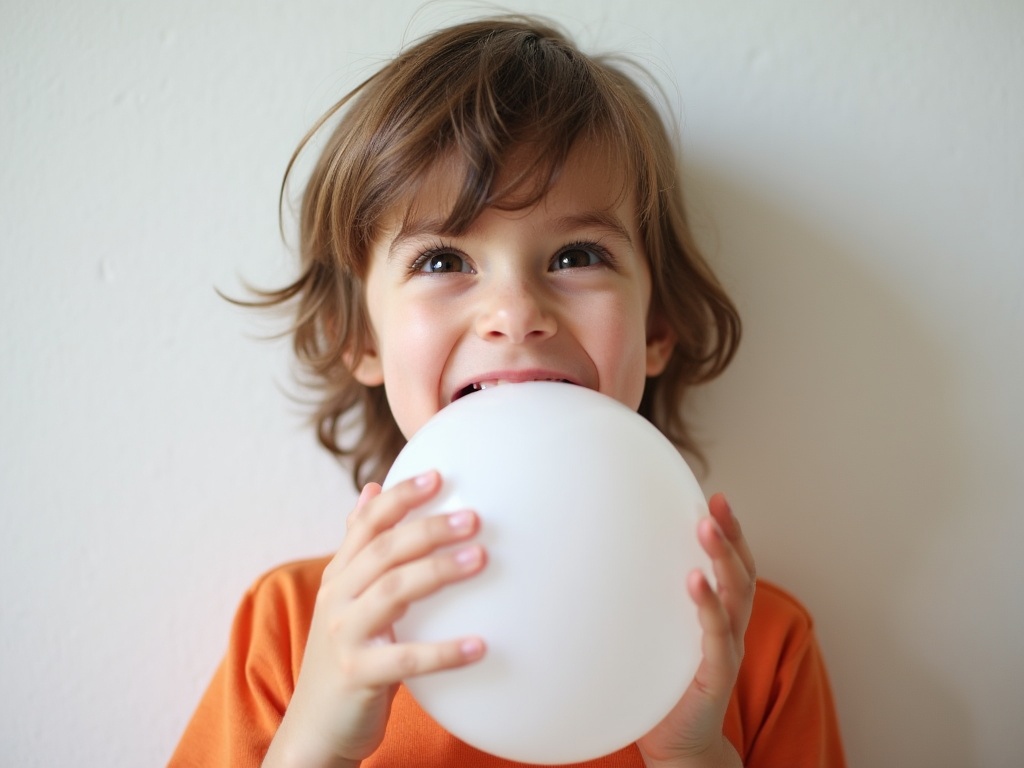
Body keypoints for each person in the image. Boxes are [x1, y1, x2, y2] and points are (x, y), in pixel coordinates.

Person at [170, 15, 845, 768]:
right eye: (441, 261)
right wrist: (316, 743)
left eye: (576, 255)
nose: (515, 313)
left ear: (658, 326)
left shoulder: (755, 647)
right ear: (360, 338)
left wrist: (693, 754)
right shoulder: (295, 632)